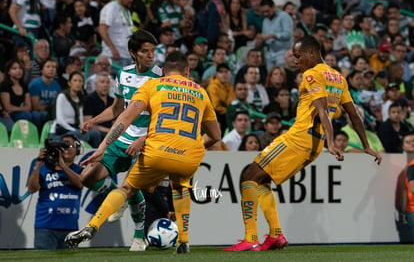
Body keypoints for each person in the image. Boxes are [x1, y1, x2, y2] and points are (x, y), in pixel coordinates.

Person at [223, 35, 382, 252]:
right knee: (261, 180)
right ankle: (275, 236)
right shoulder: (338, 78)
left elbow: (322, 109)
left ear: (312, 53)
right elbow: (354, 115)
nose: (295, 61)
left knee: (248, 176)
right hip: (313, 145)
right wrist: (365, 145)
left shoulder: (312, 74)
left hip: (299, 138)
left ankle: (250, 238)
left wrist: (332, 141)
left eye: (298, 56)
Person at [65, 51, 221, 254]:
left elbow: (124, 118)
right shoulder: (201, 92)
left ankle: (91, 226)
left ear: (163, 71)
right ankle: (183, 242)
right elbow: (216, 135)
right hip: (189, 155)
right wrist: (197, 146)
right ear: (187, 71)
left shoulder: (153, 85)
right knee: (180, 187)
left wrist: (103, 146)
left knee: (127, 189)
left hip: (157, 151)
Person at [74, 30, 162, 252]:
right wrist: (93, 120)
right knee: (88, 177)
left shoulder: (161, 77)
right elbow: (116, 109)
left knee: (131, 186)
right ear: (133, 53)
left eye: (153, 51)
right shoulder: (123, 74)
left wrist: (143, 139)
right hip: (122, 138)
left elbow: (165, 117)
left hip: (147, 141)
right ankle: (118, 198)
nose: (151, 55)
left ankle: (139, 237)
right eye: (145, 51)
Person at [27, 134, 83, 249]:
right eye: (63, 146)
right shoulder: (44, 169)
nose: (66, 149)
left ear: (77, 150)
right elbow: (32, 189)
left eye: (70, 145)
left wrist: (63, 166)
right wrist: (37, 165)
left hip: (70, 227)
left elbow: (80, 183)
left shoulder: (79, 170)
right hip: (45, 227)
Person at [50, 71, 101, 148]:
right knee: (81, 135)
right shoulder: (62, 96)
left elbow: (80, 119)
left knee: (95, 134)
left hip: (75, 128)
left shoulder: (80, 98)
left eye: (80, 81)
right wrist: (74, 130)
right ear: (69, 83)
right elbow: (60, 120)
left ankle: (95, 156)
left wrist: (81, 128)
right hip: (60, 131)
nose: (78, 83)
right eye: (75, 81)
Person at [98, 0, 134, 67]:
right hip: (113, 55)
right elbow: (102, 29)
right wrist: (112, 49)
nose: (131, 0)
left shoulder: (126, 10)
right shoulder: (111, 8)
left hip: (126, 55)